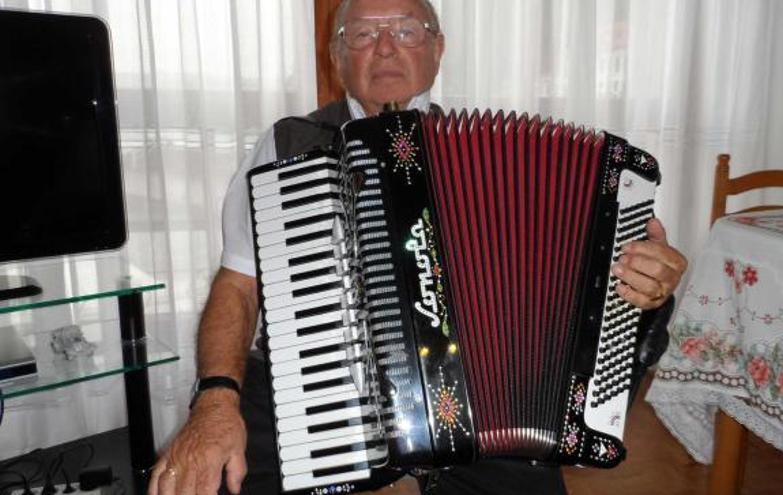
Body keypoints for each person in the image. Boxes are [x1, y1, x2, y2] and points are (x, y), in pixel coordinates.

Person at [147, 0, 688, 494]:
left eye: (406, 30)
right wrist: (215, 400)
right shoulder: (292, 148)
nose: (385, 47)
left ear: (437, 49)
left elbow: (591, 290)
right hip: (313, 390)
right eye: (362, 34)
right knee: (205, 480)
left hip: (480, 408)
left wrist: (644, 286)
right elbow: (238, 283)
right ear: (336, 55)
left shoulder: (503, 162)